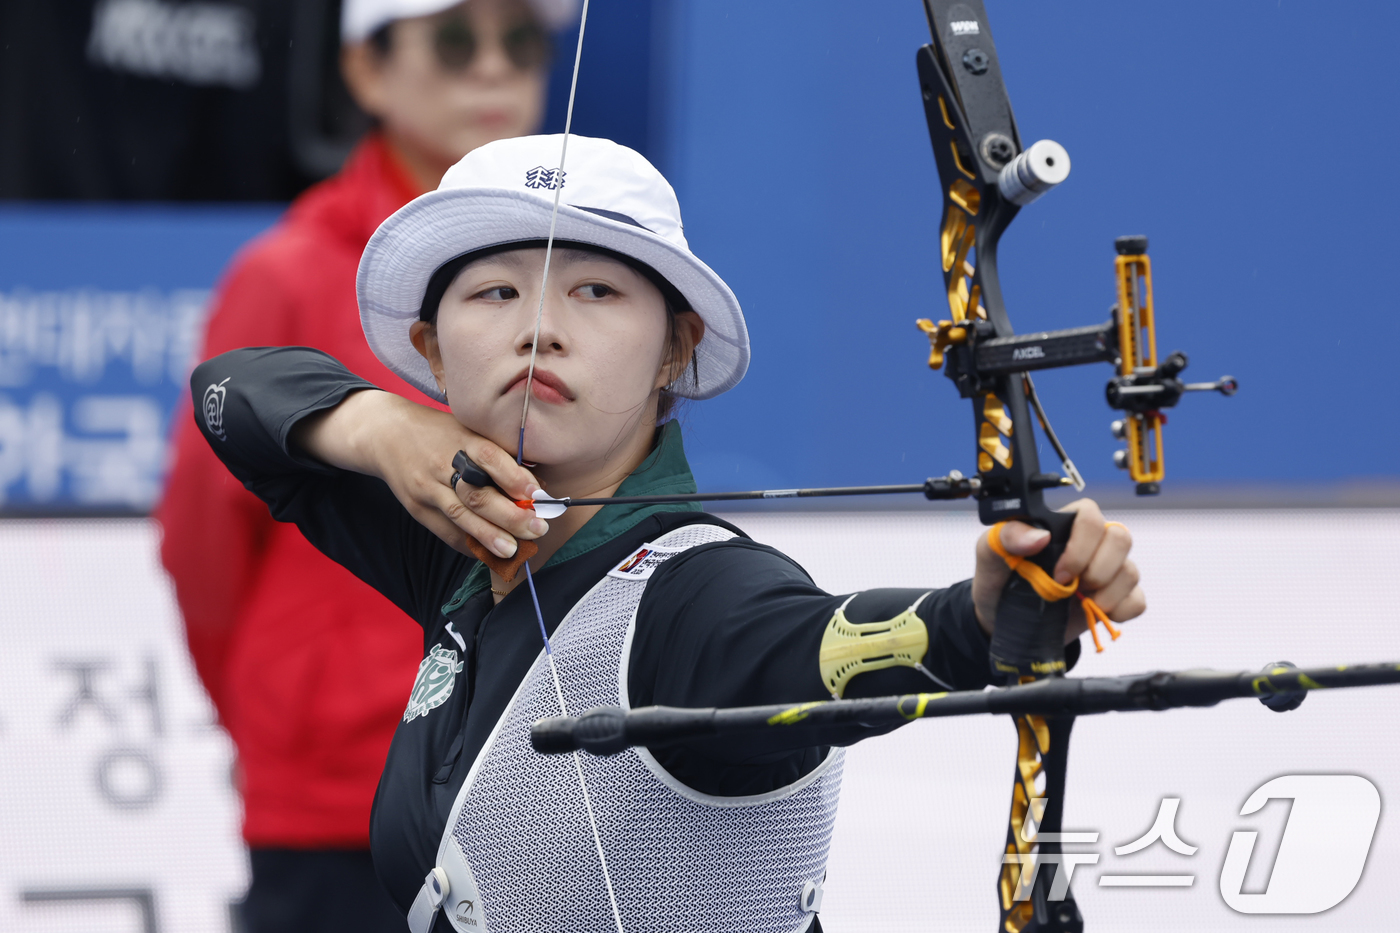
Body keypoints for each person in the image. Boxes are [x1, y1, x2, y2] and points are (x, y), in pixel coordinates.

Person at [188, 133, 1145, 932]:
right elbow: (230, 394)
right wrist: (385, 428)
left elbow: (830, 646)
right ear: (432, 346)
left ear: (674, 349)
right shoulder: (465, 540)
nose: (539, 330)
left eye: (595, 291)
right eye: (494, 294)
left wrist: (982, 617)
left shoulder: (697, 599)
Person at [156, 1, 576, 930]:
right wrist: (289, 727)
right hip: (338, 801)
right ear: (366, 71)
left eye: (524, 40)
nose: (496, 69)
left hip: (542, 790)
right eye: (458, 39)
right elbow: (203, 543)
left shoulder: (595, 278)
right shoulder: (289, 271)